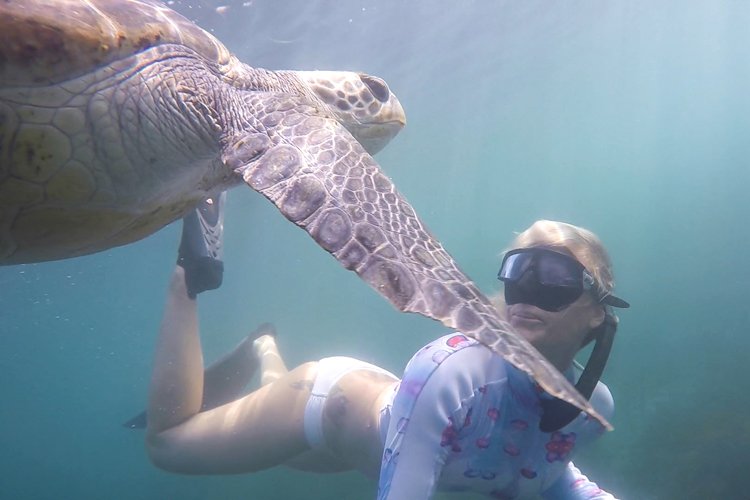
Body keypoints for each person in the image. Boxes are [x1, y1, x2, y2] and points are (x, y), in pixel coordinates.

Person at [141, 212, 628, 499]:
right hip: (323, 404)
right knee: (167, 445)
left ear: (596, 312)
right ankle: (189, 274)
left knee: (265, 413)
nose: (527, 290)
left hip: (370, 442)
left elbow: (544, 469)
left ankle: (263, 347)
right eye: (518, 270)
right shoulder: (453, 374)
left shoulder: (590, 406)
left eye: (556, 276)